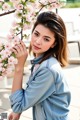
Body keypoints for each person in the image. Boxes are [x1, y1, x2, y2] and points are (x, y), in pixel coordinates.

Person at [8, 11, 71, 120]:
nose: (37, 41)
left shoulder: (48, 69)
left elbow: (17, 106)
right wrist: (18, 110)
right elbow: (31, 94)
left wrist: (19, 66)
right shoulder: (40, 62)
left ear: (54, 44)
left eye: (46, 39)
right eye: (36, 34)